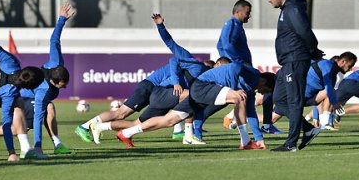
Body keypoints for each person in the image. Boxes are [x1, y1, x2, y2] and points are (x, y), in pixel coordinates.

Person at [88, 14, 225, 147]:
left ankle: (101, 127)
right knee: (192, 96)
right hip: (161, 92)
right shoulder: (196, 65)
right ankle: (187, 136)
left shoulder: (209, 80)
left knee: (139, 124)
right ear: (217, 65)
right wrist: (161, 26)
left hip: (163, 97)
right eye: (222, 69)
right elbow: (171, 48)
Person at [0, 3, 74, 158]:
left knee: (20, 119)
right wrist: (36, 148)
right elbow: (33, 119)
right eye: (62, 86)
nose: (65, 87)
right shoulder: (19, 92)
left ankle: (50, 144)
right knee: (18, 122)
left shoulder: (11, 62)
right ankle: (23, 147)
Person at [115, 62, 275, 150]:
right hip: (204, 85)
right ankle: (245, 141)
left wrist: (259, 138)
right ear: (263, 81)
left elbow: (251, 112)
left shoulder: (250, 89)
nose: (262, 92)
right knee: (239, 98)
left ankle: (127, 133)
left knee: (169, 120)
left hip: (201, 91)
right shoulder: (253, 73)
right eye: (266, 90)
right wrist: (233, 88)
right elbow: (236, 66)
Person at [0, 0, 44, 161]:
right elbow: (5, 123)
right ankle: (24, 149)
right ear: (28, 86)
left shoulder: (10, 61)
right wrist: (11, 153)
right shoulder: (10, 93)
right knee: (17, 105)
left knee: (18, 105)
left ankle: (26, 148)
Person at [265, 0, 323, 152]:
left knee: (294, 101)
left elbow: (305, 31)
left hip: (295, 60)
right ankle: (308, 128)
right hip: (287, 62)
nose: (269, 0)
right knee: (279, 99)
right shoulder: (287, 8)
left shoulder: (292, 8)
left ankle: (291, 144)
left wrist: (313, 50)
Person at [218, 0, 282, 134]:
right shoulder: (231, 24)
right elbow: (225, 45)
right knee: (265, 89)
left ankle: (260, 130)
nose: (249, 16)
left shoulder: (237, 25)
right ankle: (262, 128)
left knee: (251, 97)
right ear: (238, 12)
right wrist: (237, 63)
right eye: (247, 13)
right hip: (241, 69)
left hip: (243, 68)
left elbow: (220, 45)